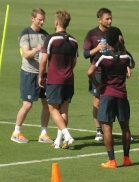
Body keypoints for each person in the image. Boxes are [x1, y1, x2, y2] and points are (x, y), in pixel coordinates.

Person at [87, 27, 135, 168]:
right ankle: (126, 158)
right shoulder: (126, 56)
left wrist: (98, 85)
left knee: (107, 128)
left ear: (107, 40)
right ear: (119, 40)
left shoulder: (103, 56)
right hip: (122, 95)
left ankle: (112, 160)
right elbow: (132, 64)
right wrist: (123, 46)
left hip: (107, 95)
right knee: (125, 127)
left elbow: (90, 72)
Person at [83, 8, 129, 141]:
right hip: (98, 72)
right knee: (98, 100)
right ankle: (99, 130)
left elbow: (122, 49)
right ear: (99, 20)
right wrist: (96, 49)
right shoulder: (92, 34)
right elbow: (86, 53)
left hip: (114, 71)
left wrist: (126, 66)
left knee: (116, 98)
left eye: (110, 18)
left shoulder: (116, 31)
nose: (110, 21)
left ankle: (120, 129)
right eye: (107, 19)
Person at [11, 8, 53, 144]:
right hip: (29, 73)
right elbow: (26, 54)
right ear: (32, 18)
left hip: (43, 73)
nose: (42, 22)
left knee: (47, 104)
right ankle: (16, 132)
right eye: (40, 19)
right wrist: (37, 49)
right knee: (28, 104)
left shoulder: (45, 35)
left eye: (43, 19)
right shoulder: (25, 34)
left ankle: (43, 133)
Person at [38, 9, 78, 149]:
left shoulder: (51, 39)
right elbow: (74, 62)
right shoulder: (73, 41)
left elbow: (43, 61)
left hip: (55, 79)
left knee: (52, 109)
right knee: (64, 110)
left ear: (56, 22)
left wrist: (40, 76)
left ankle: (67, 135)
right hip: (69, 79)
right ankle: (58, 141)